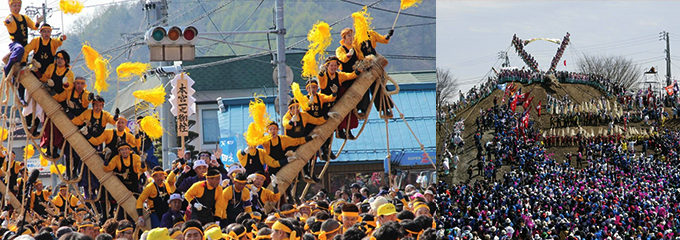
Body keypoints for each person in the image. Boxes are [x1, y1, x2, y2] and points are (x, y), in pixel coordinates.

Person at [4, 0, 42, 99]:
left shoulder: (24, 18)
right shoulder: (10, 17)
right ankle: (8, 67)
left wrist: (38, 22)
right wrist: (9, 21)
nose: (17, 8)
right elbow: (6, 22)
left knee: (23, 73)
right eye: (15, 6)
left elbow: (33, 27)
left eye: (18, 5)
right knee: (20, 49)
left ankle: (21, 97)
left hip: (24, 47)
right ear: (10, 7)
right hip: (15, 44)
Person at [319, 55, 359, 139]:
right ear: (327, 66)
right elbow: (320, 78)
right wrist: (321, 72)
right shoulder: (324, 76)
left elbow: (350, 76)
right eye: (331, 65)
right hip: (324, 105)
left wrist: (358, 70)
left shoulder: (339, 75)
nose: (334, 67)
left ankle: (343, 130)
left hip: (335, 102)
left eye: (335, 65)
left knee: (345, 111)